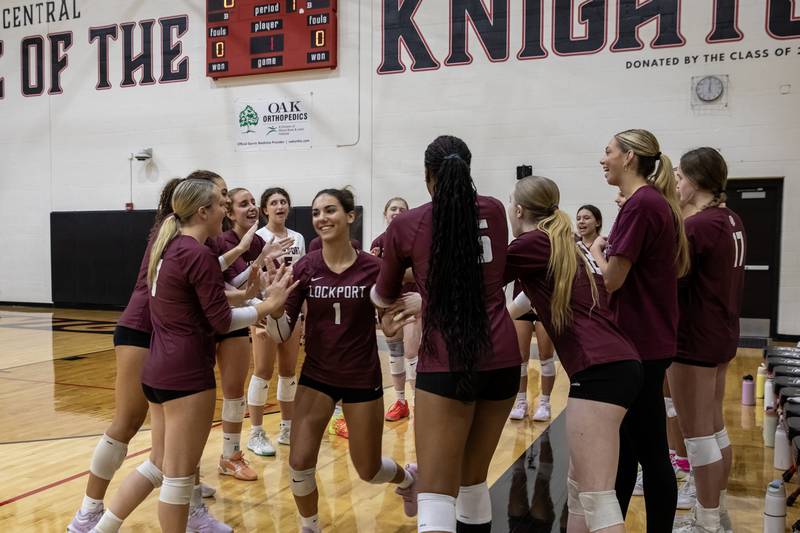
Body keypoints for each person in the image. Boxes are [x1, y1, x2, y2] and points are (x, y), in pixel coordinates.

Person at [90, 178, 299, 533]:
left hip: (157, 369)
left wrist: (247, 285)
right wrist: (267, 305)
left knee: (157, 465)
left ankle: (97, 528)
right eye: (221, 203)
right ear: (203, 211)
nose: (226, 210)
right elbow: (219, 320)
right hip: (185, 373)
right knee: (178, 477)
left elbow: (200, 303)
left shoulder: (170, 248)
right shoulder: (197, 254)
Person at [68, 171, 249, 533]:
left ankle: (191, 507)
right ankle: (89, 511)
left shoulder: (198, 240)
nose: (227, 203)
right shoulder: (174, 235)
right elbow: (207, 298)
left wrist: (244, 260)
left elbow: (207, 286)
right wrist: (259, 306)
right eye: (222, 195)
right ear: (201, 204)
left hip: (169, 338)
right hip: (143, 329)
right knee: (128, 424)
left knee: (175, 445)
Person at [372, 135, 520, 533]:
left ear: (427, 176)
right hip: (502, 357)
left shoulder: (406, 223)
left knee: (436, 495)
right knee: (473, 485)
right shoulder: (495, 210)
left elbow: (383, 295)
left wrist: (412, 277)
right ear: (467, 169)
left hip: (446, 358)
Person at [264, 188, 415, 533]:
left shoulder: (374, 267)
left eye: (330, 210)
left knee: (369, 470)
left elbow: (388, 322)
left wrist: (389, 327)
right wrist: (272, 312)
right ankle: (310, 527)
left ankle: (407, 480)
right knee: (299, 463)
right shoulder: (306, 267)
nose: (321, 218)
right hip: (317, 375)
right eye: (316, 213)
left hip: (362, 377)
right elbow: (281, 333)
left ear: (350, 216)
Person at [506, 175, 642, 533]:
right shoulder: (562, 241)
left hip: (600, 370)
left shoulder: (531, 242)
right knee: (580, 487)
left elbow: (482, 278)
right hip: (617, 364)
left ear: (518, 209)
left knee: (597, 497)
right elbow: (527, 300)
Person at [591, 129, 689, 532]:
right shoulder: (649, 202)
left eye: (609, 151)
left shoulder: (642, 204)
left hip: (641, 345)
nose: (603, 158)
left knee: (649, 451)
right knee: (629, 449)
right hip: (644, 341)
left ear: (630, 157)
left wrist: (593, 253)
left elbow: (612, 279)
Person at [669, 148, 745, 533]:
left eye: (680, 176)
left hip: (695, 337)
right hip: (721, 332)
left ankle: (708, 520)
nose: (676, 183)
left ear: (696, 181)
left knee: (697, 434)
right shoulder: (730, 218)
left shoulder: (698, 226)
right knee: (714, 428)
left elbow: (670, 282)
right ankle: (717, 508)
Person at [215, 187, 291, 477]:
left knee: (235, 392)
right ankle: (189, 470)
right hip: (218, 318)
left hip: (239, 316)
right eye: (242, 204)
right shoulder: (222, 240)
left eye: (251, 203)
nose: (250, 208)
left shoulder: (259, 240)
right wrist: (257, 308)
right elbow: (231, 284)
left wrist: (264, 307)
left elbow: (256, 285)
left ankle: (231, 455)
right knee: (210, 394)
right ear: (229, 211)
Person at [250, 187, 306, 448]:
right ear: (265, 209)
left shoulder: (298, 238)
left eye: (284, 201)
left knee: (288, 371)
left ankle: (287, 429)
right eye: (274, 202)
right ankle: (256, 432)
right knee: (262, 371)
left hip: (292, 308)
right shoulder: (257, 238)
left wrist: (306, 313)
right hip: (264, 308)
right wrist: (254, 310)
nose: (280, 206)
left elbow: (302, 279)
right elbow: (249, 276)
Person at [370, 196, 420, 422]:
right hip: (390, 303)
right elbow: (377, 275)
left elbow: (418, 272)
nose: (397, 212)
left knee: (412, 352)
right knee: (395, 353)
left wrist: (392, 273)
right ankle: (400, 401)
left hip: (411, 301)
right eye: (393, 208)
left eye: (402, 208)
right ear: (385, 213)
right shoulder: (378, 242)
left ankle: (420, 403)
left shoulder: (416, 239)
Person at [507, 283, 557, 422]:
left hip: (545, 298)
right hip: (520, 296)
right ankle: (521, 401)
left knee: (545, 355)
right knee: (521, 357)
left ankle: (545, 403)